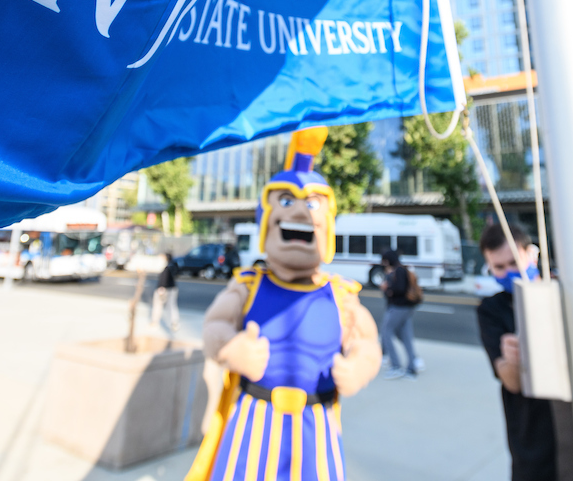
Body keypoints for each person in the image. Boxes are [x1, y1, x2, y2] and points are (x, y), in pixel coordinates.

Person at [185, 128, 381, 481]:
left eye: (312, 204)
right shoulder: (248, 284)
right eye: (287, 202)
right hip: (251, 422)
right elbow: (214, 325)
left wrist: (360, 367)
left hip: (315, 427)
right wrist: (231, 348)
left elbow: (367, 342)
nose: (302, 213)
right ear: (266, 221)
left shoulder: (340, 294)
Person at [476, 223, 573, 481]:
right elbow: (509, 380)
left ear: (531, 254)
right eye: (499, 267)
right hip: (532, 431)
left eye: (514, 262)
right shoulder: (492, 309)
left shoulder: (567, 292)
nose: (509, 272)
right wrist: (513, 360)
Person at [380, 249, 419, 379]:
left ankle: (395, 366)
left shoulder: (398, 271)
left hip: (398, 307)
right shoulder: (403, 270)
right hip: (407, 308)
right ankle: (412, 367)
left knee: (386, 332)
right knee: (406, 336)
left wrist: (388, 289)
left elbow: (399, 289)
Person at [151, 252, 180, 331]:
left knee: (158, 306)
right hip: (172, 288)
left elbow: (163, 279)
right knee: (172, 306)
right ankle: (174, 323)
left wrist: (161, 288)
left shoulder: (165, 267)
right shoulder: (173, 265)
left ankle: (155, 322)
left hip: (163, 289)